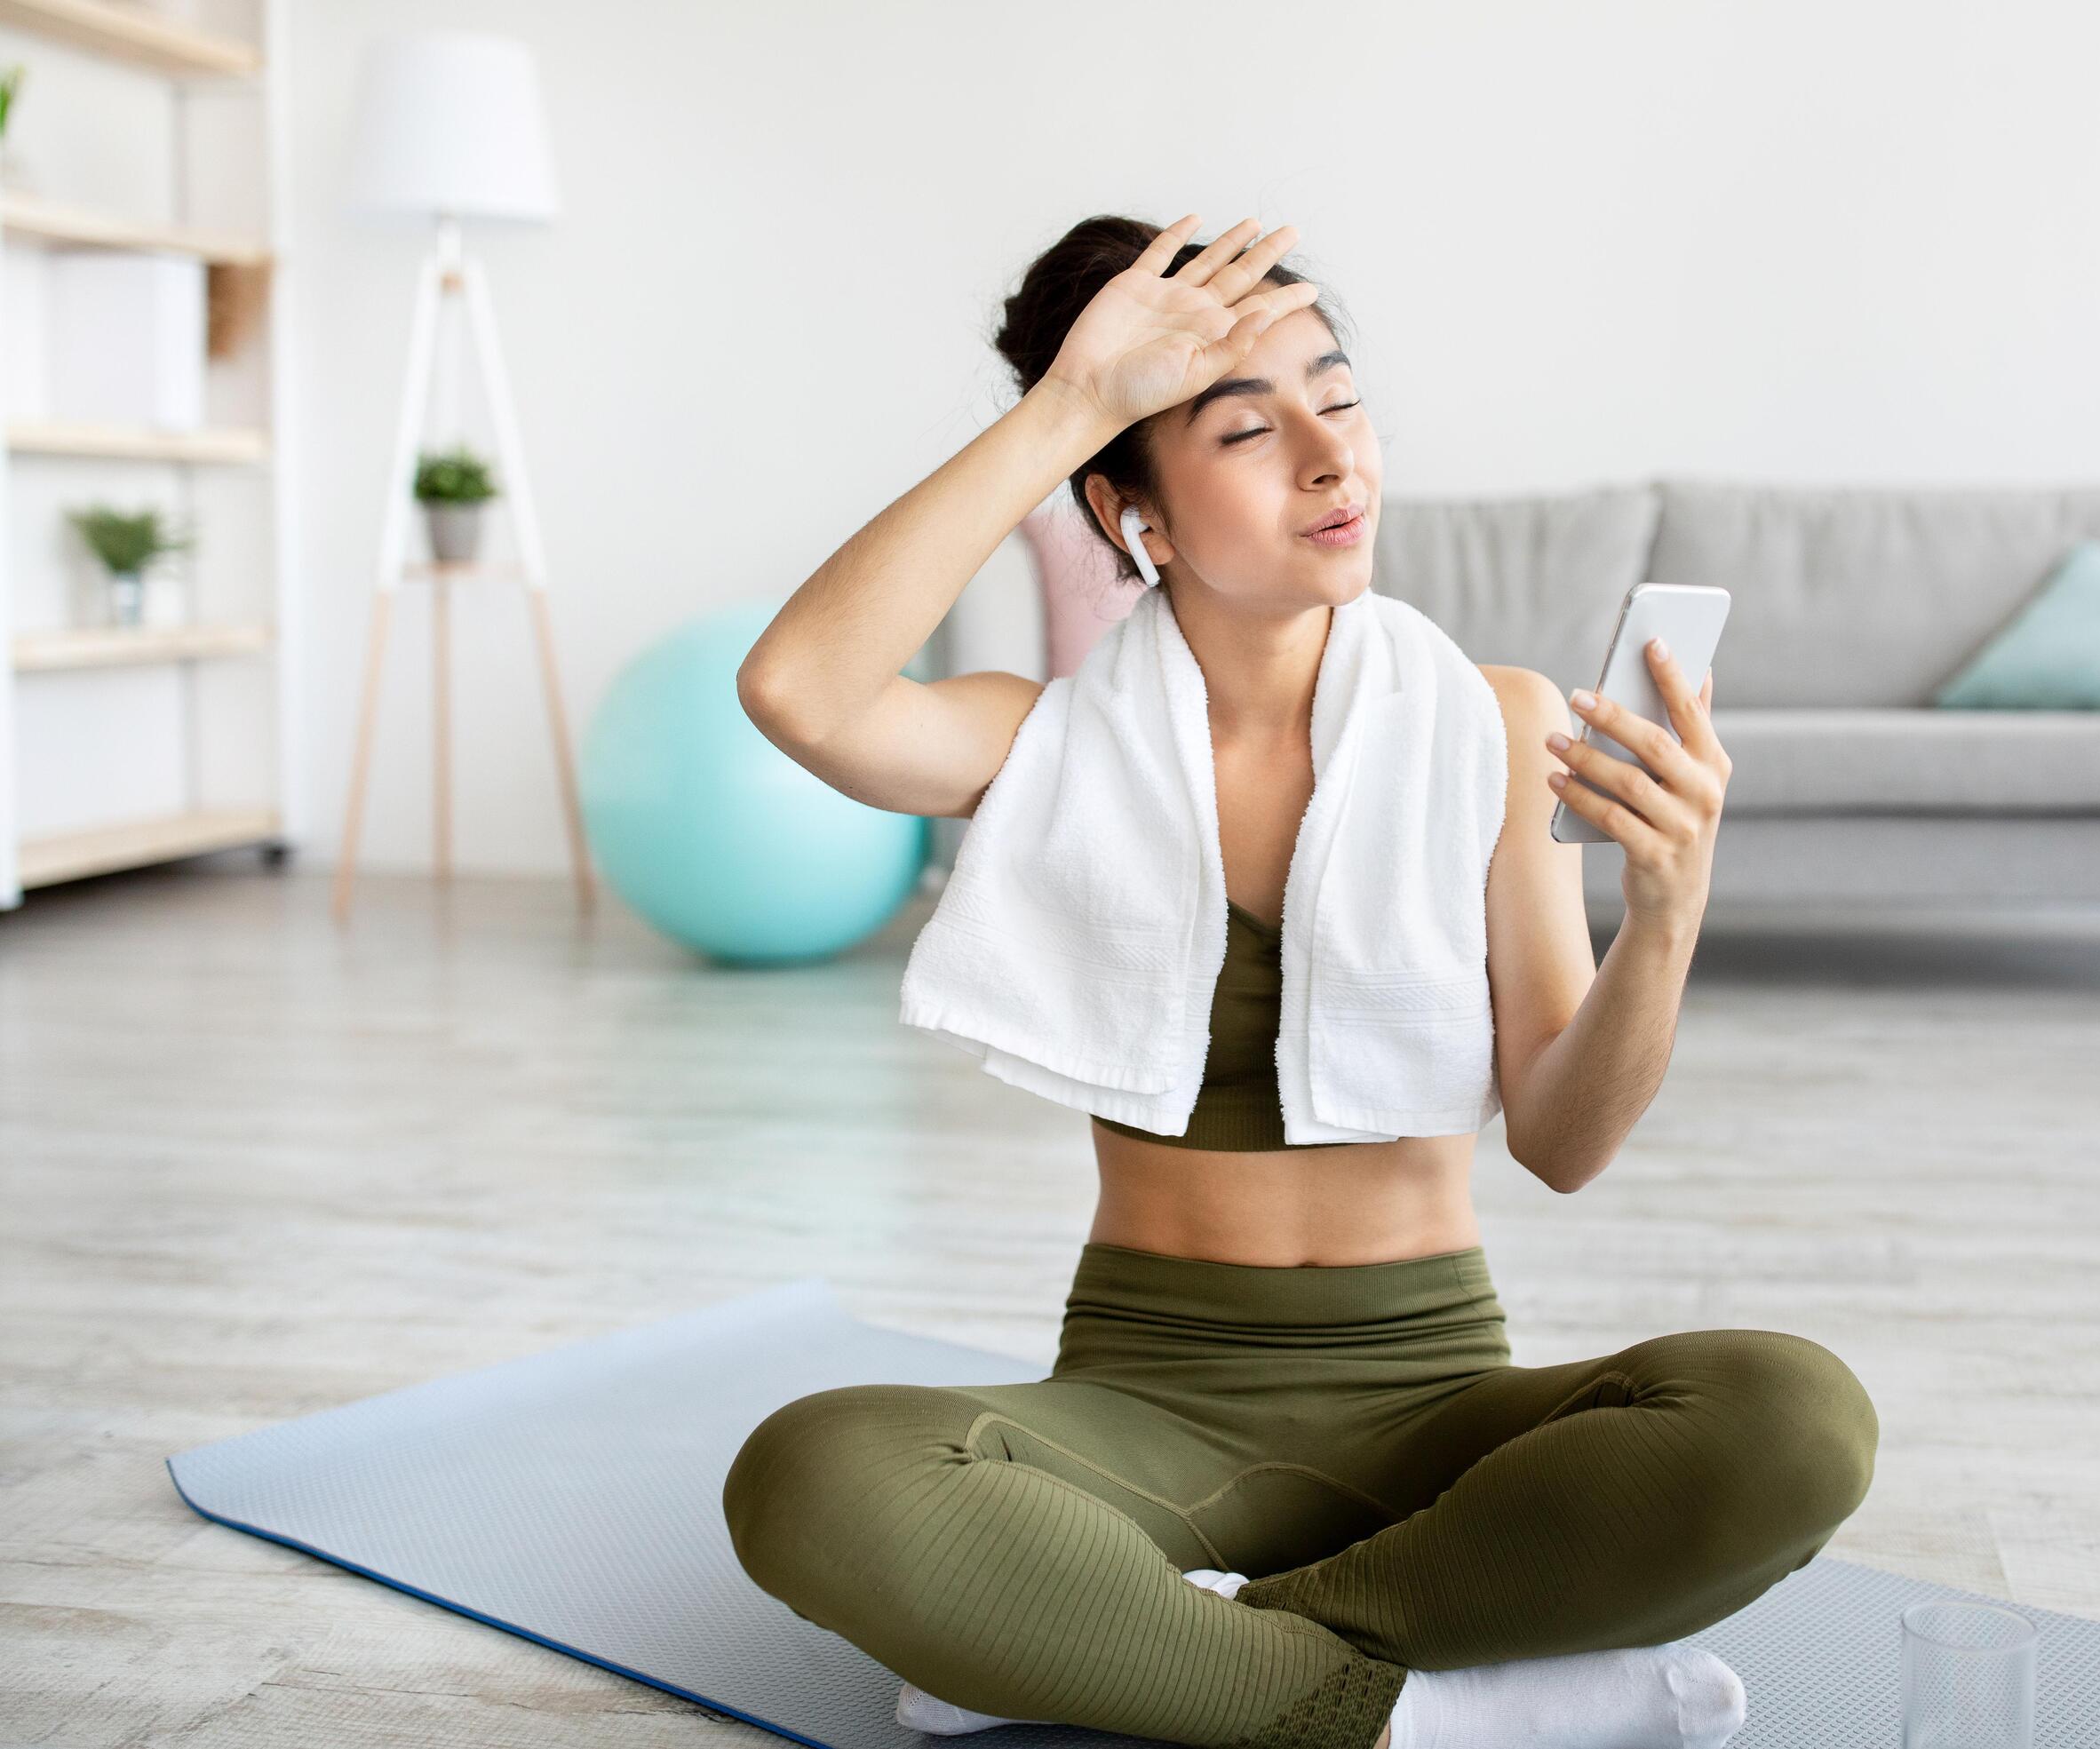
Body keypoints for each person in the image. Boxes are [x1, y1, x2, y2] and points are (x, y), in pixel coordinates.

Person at [720, 212, 1879, 1749]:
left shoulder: (1492, 721)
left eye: (1339, 400)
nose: (1334, 461)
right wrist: (1072, 402)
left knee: (1796, 1419)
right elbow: (799, 688)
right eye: (1250, 430)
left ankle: (1138, 1643)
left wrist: (1666, 910)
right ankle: (1413, 1710)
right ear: (1130, 509)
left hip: (1439, 1408)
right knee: (809, 1472)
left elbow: (1565, 1138)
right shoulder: (1042, 745)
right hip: (1143, 1411)